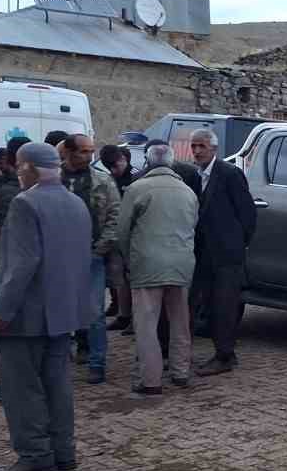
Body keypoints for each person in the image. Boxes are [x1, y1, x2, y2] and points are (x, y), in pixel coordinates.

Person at [0, 141, 94, 471]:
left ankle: (35, 454)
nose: (17, 172)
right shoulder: (75, 202)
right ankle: (64, 452)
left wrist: (0, 311)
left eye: (19, 166)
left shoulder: (25, 203)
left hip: (27, 313)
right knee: (57, 385)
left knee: (22, 388)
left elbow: (22, 264)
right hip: (64, 312)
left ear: (29, 168)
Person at [119, 142, 198, 395]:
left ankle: (150, 379)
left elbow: (122, 231)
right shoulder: (188, 192)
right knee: (180, 321)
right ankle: (181, 372)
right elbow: (193, 225)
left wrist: (127, 259)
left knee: (146, 323)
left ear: (148, 162)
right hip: (181, 263)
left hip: (147, 263)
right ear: (172, 163)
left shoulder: (136, 188)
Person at [188, 128, 254, 376]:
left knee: (224, 305)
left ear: (214, 148)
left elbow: (247, 214)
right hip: (203, 253)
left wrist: (237, 243)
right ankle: (220, 351)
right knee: (207, 304)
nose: (196, 151)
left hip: (226, 253)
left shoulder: (229, 174)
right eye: (194, 146)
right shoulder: (195, 175)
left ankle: (225, 355)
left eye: (201, 146)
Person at [59, 134, 119, 383]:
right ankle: (58, 361)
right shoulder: (53, 179)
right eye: (83, 151)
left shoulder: (102, 180)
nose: (89, 156)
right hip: (58, 257)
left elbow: (116, 216)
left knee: (94, 312)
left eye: (91, 151)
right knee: (59, 311)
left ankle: (97, 362)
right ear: (70, 152)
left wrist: (100, 249)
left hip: (91, 255)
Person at [98, 144, 135, 330]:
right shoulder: (109, 179)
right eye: (109, 168)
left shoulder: (135, 178)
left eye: (115, 166)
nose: (114, 171)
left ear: (123, 160)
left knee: (130, 279)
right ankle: (121, 312)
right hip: (114, 234)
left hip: (130, 236)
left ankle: (130, 317)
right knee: (117, 278)